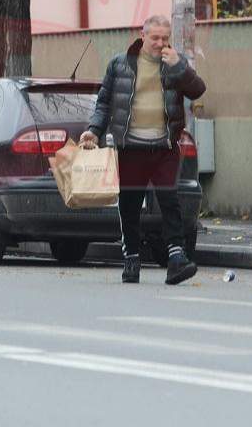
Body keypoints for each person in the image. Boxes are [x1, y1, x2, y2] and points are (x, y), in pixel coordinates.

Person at [79, 15, 206, 285]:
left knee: (170, 201)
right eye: (155, 38)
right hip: (131, 147)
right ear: (142, 35)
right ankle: (132, 257)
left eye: (164, 38)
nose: (160, 43)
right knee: (130, 204)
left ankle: (176, 259)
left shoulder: (174, 64)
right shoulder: (120, 64)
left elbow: (197, 90)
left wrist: (180, 67)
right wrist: (94, 130)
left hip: (164, 146)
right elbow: (104, 103)